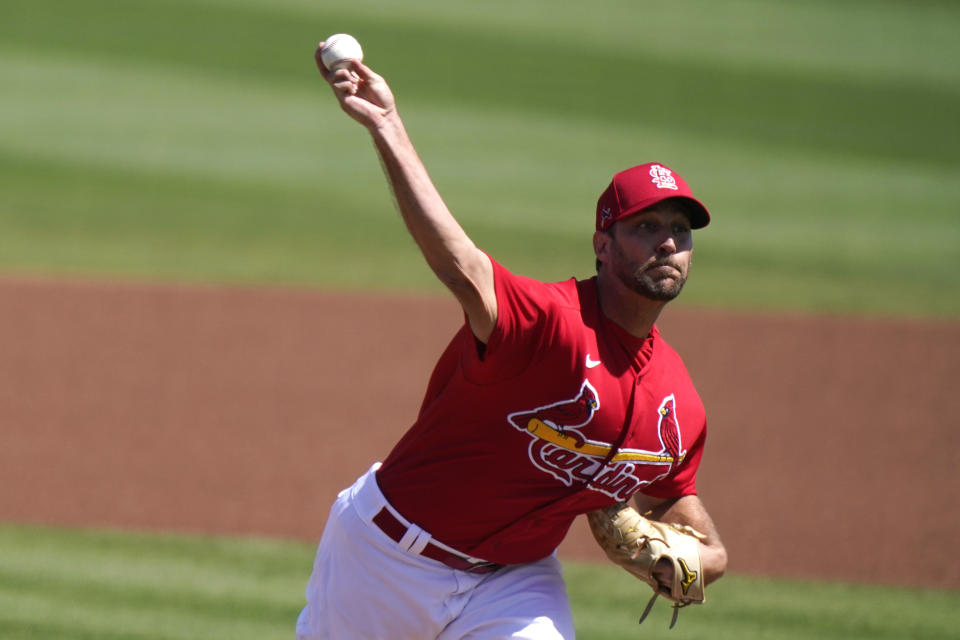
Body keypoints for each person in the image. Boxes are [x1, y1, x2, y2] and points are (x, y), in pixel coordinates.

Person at [298, 41, 728, 640]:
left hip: (514, 582)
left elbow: (674, 497)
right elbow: (461, 266)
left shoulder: (677, 400)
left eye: (680, 231)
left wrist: (710, 559)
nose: (668, 244)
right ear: (603, 246)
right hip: (385, 559)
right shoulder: (549, 321)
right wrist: (388, 126)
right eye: (647, 227)